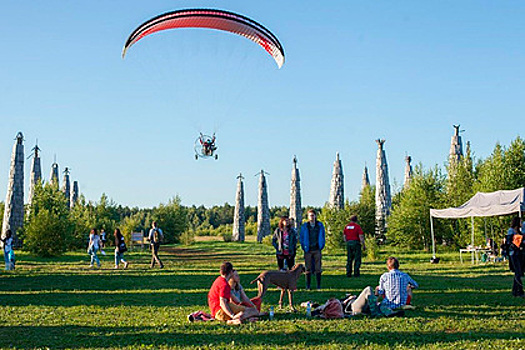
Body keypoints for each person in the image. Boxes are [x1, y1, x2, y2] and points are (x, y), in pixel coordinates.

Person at [350, 257, 418, 315]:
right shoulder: (405, 275)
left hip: (388, 303)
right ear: (398, 265)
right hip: (403, 303)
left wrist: (377, 292)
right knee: (408, 288)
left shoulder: (384, 276)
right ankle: (403, 304)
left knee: (378, 288)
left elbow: (381, 292)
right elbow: (415, 285)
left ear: (388, 267)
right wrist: (408, 286)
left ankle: (378, 307)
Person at [299, 209, 326, 290]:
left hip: (317, 248)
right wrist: (304, 247)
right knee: (308, 268)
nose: (312, 217)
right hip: (308, 249)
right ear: (308, 217)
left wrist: (322, 245)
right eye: (310, 215)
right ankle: (308, 286)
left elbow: (323, 236)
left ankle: (318, 286)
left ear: (315, 216)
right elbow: (302, 237)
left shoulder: (319, 225)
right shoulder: (305, 226)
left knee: (318, 268)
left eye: (313, 215)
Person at [505, 217, 524, 297]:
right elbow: (509, 243)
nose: (521, 223)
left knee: (519, 273)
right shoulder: (511, 231)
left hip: (519, 254)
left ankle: (516, 291)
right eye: (520, 221)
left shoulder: (519, 231)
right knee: (518, 272)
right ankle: (518, 291)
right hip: (513, 254)